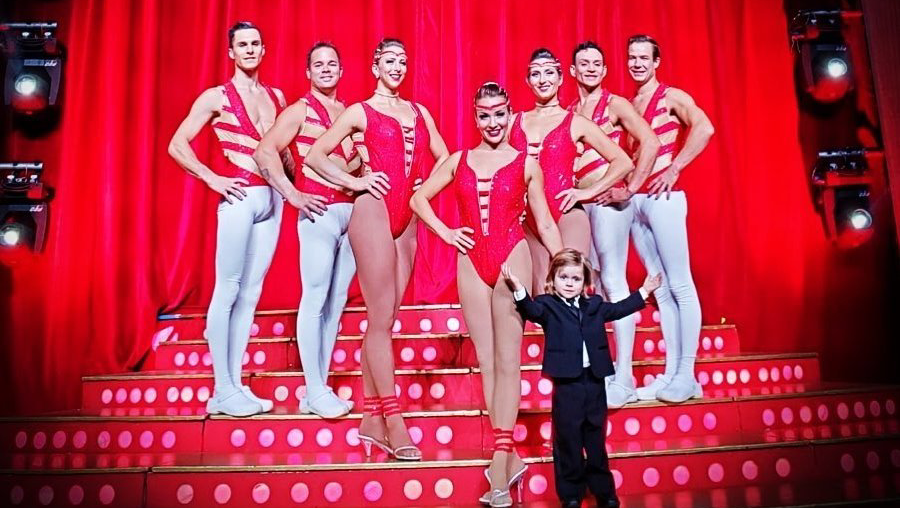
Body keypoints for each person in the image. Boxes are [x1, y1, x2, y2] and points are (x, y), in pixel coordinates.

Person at [410, 82, 563, 507]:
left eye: (499, 114)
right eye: (484, 115)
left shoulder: (527, 163)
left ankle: (498, 458)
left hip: (512, 258)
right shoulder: (459, 160)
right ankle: (508, 457)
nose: (492, 122)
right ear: (475, 117)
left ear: (510, 114)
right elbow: (419, 198)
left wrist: (565, 261)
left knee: (508, 359)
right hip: (471, 260)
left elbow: (546, 222)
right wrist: (444, 231)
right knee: (486, 358)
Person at [305, 38, 449, 460]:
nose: (398, 67)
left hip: (409, 218)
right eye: (390, 61)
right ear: (375, 66)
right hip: (372, 210)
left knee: (385, 318)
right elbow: (314, 155)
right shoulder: (360, 112)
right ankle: (394, 419)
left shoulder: (419, 112)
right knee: (381, 318)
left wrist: (428, 186)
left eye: (404, 61)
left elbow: (446, 159)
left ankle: (371, 417)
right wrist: (355, 182)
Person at [168, 21, 286, 417]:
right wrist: (212, 177)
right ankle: (221, 385)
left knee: (251, 293)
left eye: (255, 43)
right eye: (242, 44)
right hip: (239, 197)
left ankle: (232, 388)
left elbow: (282, 153)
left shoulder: (276, 96)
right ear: (230, 53)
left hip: (273, 199)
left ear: (263, 49)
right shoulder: (216, 96)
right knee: (229, 288)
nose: (250, 49)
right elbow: (177, 144)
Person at [503, 250, 661, 508]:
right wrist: (519, 289)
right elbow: (531, 310)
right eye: (563, 277)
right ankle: (571, 494)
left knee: (595, 439)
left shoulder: (595, 305)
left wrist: (644, 291)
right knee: (568, 439)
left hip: (594, 380)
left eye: (575, 279)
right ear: (553, 278)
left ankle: (604, 492)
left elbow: (619, 309)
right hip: (567, 383)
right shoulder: (548, 305)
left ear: (584, 283)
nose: (568, 283)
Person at [252, 42, 360, 418]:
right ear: (308, 73)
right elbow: (265, 152)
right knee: (315, 298)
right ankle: (313, 388)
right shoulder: (299, 110)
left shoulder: (349, 112)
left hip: (351, 212)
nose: (326, 69)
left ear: (342, 70)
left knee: (337, 300)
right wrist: (293, 195)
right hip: (319, 212)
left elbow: (354, 162)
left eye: (333, 63)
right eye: (319, 64)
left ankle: (319, 386)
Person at [568, 41, 661, 408]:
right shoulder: (572, 110)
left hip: (608, 203)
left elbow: (650, 142)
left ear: (605, 71)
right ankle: (601, 372)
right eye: (584, 64)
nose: (590, 69)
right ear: (572, 72)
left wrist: (631, 189)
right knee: (591, 288)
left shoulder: (615, 104)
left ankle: (624, 376)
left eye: (597, 63)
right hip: (580, 205)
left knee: (613, 281)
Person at [625, 34, 715, 403]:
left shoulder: (670, 97)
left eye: (644, 57)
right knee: (659, 288)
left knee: (680, 284)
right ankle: (670, 373)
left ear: (657, 61)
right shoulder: (630, 102)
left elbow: (705, 127)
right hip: (638, 201)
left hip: (663, 198)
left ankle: (688, 373)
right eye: (631, 57)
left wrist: (676, 166)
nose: (637, 63)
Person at [509, 48, 633, 295]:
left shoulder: (575, 122)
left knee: (570, 291)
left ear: (560, 77)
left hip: (567, 215)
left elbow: (623, 162)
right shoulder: (513, 122)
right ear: (527, 80)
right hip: (529, 221)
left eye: (548, 73)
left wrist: (585, 192)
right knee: (544, 299)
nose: (543, 80)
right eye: (535, 74)